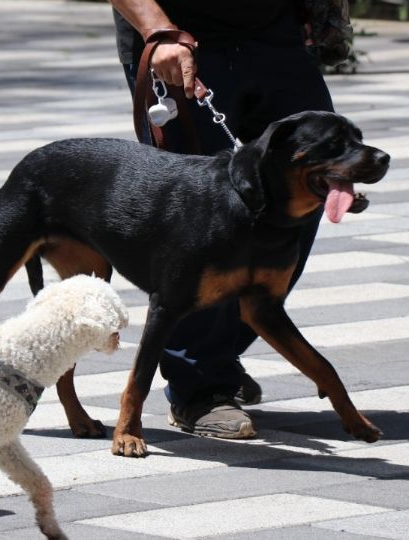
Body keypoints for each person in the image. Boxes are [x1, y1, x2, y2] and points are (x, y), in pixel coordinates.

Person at [108, 0, 335, 438]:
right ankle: (200, 388)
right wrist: (158, 31)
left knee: (306, 187)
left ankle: (219, 350)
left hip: (274, 31)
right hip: (181, 36)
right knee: (195, 218)